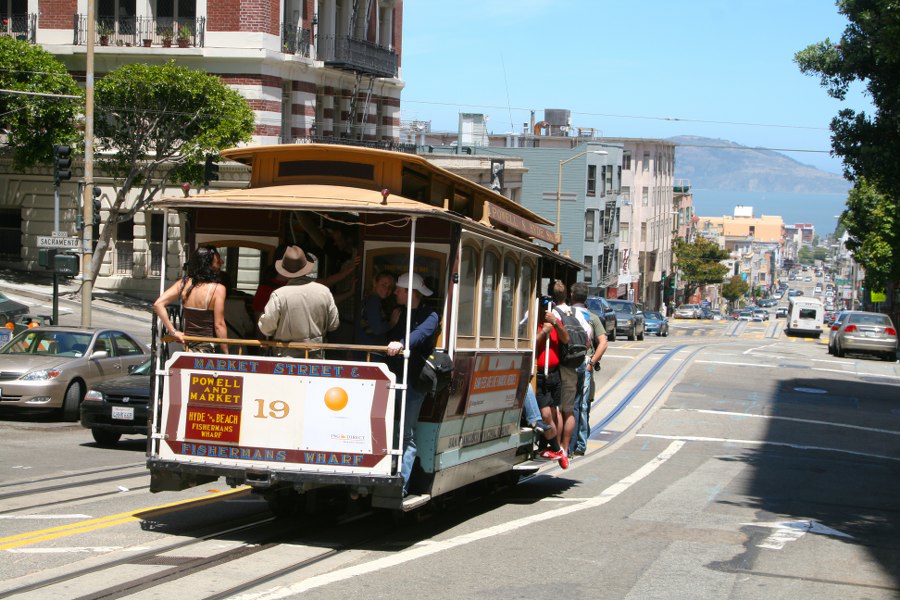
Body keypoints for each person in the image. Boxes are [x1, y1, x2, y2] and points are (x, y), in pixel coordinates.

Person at [385, 272, 440, 497]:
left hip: (413, 381)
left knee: (406, 434)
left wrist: (401, 343)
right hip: (392, 379)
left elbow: (419, 335)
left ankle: (402, 485)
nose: (395, 292)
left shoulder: (431, 315)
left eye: (399, 289)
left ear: (411, 293)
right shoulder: (399, 313)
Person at [257, 245, 339, 358]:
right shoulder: (324, 292)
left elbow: (266, 329)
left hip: (286, 357)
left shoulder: (279, 295)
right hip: (315, 357)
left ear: (284, 270)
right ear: (306, 267)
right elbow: (333, 325)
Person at [153, 245, 228, 353]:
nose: (221, 263)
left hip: (187, 348)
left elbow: (158, 304)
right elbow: (219, 325)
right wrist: (226, 353)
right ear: (208, 264)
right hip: (206, 350)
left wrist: (173, 332)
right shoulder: (218, 289)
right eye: (217, 261)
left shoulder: (184, 283)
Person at [549, 279, 586, 465]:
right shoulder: (576, 312)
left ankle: (560, 448)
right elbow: (586, 338)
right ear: (568, 296)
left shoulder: (553, 313)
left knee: (559, 409)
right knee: (569, 409)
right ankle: (565, 447)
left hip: (561, 364)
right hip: (575, 363)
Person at [570, 281, 608, 456]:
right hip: (585, 364)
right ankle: (580, 443)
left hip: (568, 363)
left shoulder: (566, 314)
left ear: (572, 296)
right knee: (583, 405)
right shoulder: (591, 317)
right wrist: (591, 362)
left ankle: (567, 442)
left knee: (571, 403)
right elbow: (603, 342)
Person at [534, 286, 569, 469]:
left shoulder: (554, 322)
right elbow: (532, 345)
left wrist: (555, 323)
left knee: (555, 412)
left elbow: (565, 339)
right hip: (539, 375)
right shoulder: (535, 324)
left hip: (554, 372)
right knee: (546, 414)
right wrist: (544, 331)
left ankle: (557, 448)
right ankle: (556, 449)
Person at [358, 271, 398, 348]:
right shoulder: (373, 301)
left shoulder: (369, 299)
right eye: (383, 285)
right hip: (371, 350)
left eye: (390, 287)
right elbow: (377, 329)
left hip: (364, 348)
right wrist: (392, 323)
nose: (386, 289)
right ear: (375, 283)